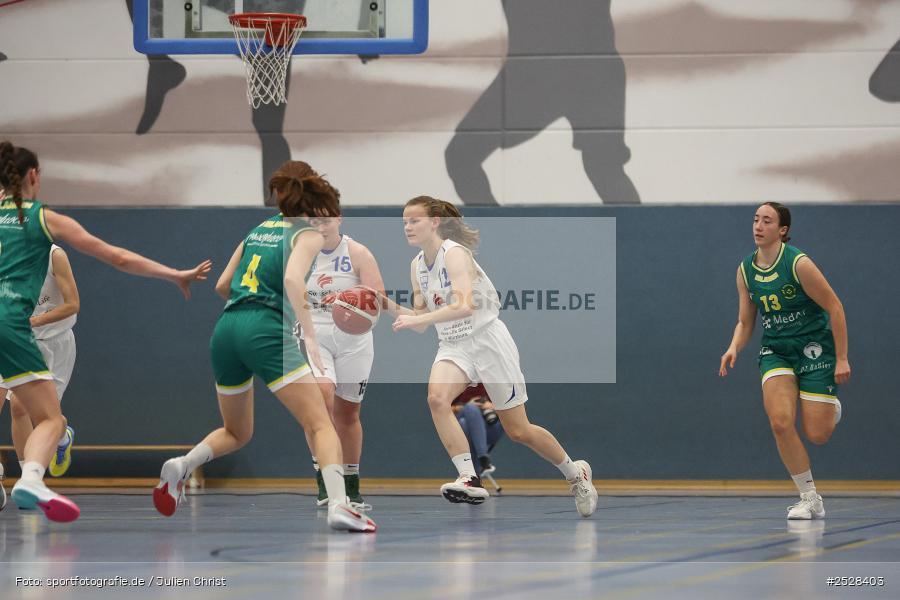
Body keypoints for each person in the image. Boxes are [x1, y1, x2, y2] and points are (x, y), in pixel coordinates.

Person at [152, 160, 376, 533]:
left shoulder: (257, 230)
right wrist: (309, 338)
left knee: (237, 431)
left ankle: (183, 465)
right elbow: (292, 280)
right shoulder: (307, 235)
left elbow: (224, 285)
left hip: (226, 330)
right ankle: (340, 504)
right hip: (266, 329)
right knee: (322, 423)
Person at [0, 140, 211, 522]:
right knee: (51, 419)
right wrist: (173, 273)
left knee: (18, 407)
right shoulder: (43, 218)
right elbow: (117, 256)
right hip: (10, 323)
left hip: (31, 332)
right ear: (33, 176)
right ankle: (31, 476)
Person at [387, 196, 598, 517]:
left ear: (434, 222)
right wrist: (381, 303)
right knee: (437, 399)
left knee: (519, 430)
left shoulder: (455, 254)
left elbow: (465, 304)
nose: (407, 227)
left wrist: (419, 319)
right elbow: (417, 319)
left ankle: (575, 473)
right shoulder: (417, 266)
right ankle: (469, 477)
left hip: (487, 340)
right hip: (453, 345)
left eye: (414, 220)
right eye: (404, 221)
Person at [720, 202, 849, 520]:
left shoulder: (798, 264)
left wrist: (842, 358)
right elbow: (746, 321)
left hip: (814, 348)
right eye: (755, 219)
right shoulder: (745, 270)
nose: (758, 225)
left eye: (767, 220)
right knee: (779, 422)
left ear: (783, 230)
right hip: (776, 350)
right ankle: (809, 497)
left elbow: (835, 307)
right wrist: (734, 346)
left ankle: (828, 407)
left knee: (817, 434)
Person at [300, 214, 385, 508]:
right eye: (312, 222)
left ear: (338, 219)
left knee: (348, 414)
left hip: (354, 340)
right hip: (316, 334)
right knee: (321, 402)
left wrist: (346, 298)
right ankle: (325, 479)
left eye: (325, 221)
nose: (320, 228)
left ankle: (351, 482)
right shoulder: (300, 254)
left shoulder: (357, 253)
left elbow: (379, 298)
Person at [6, 243, 80, 484]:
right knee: (17, 406)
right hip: (17, 339)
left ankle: (61, 437)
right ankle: (30, 479)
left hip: (53, 343)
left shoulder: (54, 256)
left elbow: (72, 305)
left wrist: (35, 321)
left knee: (37, 412)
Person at [452, 384, 503, 477]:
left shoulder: (494, 381)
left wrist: (494, 406)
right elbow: (444, 408)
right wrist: (465, 406)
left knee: (465, 424)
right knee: (471, 409)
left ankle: (470, 476)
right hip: (460, 418)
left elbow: (511, 409)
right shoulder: (459, 381)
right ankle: (483, 458)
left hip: (489, 427)